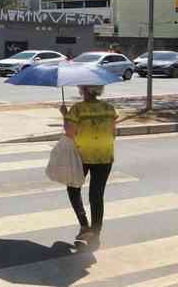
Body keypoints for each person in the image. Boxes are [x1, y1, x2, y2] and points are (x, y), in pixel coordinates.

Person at [60, 85, 117, 243]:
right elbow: (114, 133)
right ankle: (96, 232)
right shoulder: (109, 108)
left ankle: (84, 226)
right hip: (105, 156)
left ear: (83, 90)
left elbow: (70, 133)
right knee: (97, 195)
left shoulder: (77, 110)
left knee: (73, 187)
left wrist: (65, 115)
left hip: (82, 156)